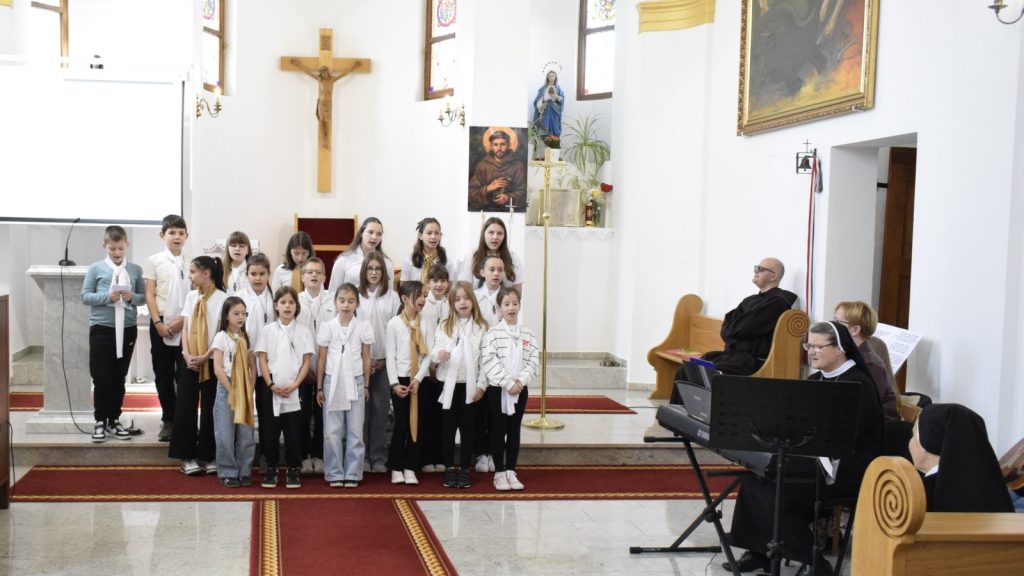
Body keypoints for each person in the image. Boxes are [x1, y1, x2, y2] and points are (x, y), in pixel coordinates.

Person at [725, 321, 883, 576]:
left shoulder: (857, 385)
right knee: (755, 480)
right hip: (815, 459)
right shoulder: (817, 378)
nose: (811, 351)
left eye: (819, 346)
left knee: (779, 491)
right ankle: (760, 553)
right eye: (809, 345)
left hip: (846, 469)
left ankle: (816, 563)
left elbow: (844, 440)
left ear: (840, 348)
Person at [82, 225, 146, 443]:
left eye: (120, 248)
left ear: (127, 245)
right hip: (102, 327)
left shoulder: (135, 269)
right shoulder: (95, 268)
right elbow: (85, 296)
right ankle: (100, 420)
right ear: (104, 246)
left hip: (127, 328)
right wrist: (106, 297)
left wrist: (131, 297)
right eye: (112, 249)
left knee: (119, 377)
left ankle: (114, 419)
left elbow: (143, 298)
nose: (117, 253)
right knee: (101, 377)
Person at [169, 256, 228, 477]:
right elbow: (185, 326)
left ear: (206, 273)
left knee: (211, 408)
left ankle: (208, 454)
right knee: (185, 406)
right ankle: (186, 455)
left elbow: (221, 332)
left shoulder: (223, 298)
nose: (191, 276)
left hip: (212, 360)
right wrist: (185, 353)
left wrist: (206, 356)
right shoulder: (192, 296)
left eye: (193, 272)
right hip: (189, 359)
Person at [481, 286, 539, 492]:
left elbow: (533, 360)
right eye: (506, 304)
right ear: (499, 307)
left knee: (514, 430)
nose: (511, 308)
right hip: (499, 390)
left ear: (520, 306)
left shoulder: (528, 333)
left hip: (520, 389)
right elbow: (489, 361)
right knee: (498, 430)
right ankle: (499, 472)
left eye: (515, 303)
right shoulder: (493, 333)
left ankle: (511, 470)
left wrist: (520, 382)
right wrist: (507, 383)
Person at [255, 286, 313, 490]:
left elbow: (306, 361)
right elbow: (262, 358)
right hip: (271, 388)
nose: (287, 306)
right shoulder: (268, 330)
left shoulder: (304, 331)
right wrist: (270, 384)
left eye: (291, 302)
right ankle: (271, 467)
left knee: (294, 432)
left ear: (296, 306)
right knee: (270, 431)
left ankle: (293, 469)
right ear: (276, 306)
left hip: (295, 388)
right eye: (283, 302)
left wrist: (296, 384)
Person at [317, 283, 374, 488]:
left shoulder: (364, 326)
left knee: (355, 431)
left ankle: (353, 472)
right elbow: (322, 359)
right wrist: (319, 387)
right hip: (332, 380)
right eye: (342, 300)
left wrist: (366, 385)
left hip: (356, 380)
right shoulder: (327, 326)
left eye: (351, 301)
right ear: (335, 302)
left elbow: (366, 357)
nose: (346, 305)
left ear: (357, 303)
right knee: (332, 431)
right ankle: (334, 472)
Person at [432, 281, 488, 489]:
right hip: (448, 385)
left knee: (468, 429)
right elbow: (435, 350)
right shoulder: (445, 325)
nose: (462, 302)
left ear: (472, 300)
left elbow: (485, 360)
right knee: (447, 428)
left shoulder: (481, 328)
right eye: (457, 299)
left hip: (470, 385)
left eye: (466, 298)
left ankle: (464, 468)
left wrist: (481, 385)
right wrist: (440, 354)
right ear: (451, 303)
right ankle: (449, 467)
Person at [909, 403, 1014, 513]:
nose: (910, 442)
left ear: (927, 443)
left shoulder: (920, 496)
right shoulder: (993, 489)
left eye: (913, 434)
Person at [702, 257, 797, 375]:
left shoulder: (778, 302)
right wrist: (735, 329)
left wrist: (735, 329)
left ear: (773, 276)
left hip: (751, 361)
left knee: (707, 372)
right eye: (756, 267)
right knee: (692, 366)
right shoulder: (749, 300)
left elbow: (746, 328)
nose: (756, 271)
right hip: (734, 356)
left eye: (761, 269)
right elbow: (726, 329)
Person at [143, 214, 190, 442]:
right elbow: (149, 293)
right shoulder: (155, 260)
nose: (177, 237)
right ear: (162, 235)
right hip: (160, 321)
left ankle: (184, 420)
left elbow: (195, 295)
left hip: (185, 323)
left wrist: (182, 320)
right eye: (172, 233)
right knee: (163, 374)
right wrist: (158, 323)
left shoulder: (191, 262)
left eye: (181, 233)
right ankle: (169, 419)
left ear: (186, 237)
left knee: (184, 375)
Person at [358, 252, 400, 474]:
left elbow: (394, 331)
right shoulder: (356, 295)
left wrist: (384, 359)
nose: (374, 272)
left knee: (380, 410)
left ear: (384, 273)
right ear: (364, 271)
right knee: (361, 411)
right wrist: (366, 360)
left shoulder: (392, 297)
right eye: (370, 268)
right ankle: (363, 455)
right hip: (361, 361)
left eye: (378, 269)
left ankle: (378, 456)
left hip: (385, 361)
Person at [386, 281, 430, 485]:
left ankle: (411, 466)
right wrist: (394, 384)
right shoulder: (394, 324)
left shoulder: (426, 323)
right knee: (402, 424)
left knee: (418, 424)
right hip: (401, 380)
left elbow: (428, 355)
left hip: (419, 380)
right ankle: (396, 466)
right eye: (418, 295)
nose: (422, 299)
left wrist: (419, 378)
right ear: (404, 299)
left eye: (423, 295)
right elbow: (390, 355)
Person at [210, 297, 257, 488]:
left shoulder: (246, 338)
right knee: (225, 433)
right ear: (227, 316)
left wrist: (250, 388)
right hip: (226, 388)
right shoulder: (221, 337)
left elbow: (252, 366)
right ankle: (228, 471)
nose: (241, 317)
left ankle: (245, 470)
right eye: (236, 314)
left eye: (243, 313)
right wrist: (232, 391)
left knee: (246, 434)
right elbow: (218, 368)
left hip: (244, 388)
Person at [296, 257, 335, 475]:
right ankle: (303, 456)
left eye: (318, 272)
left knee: (322, 414)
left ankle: (319, 455)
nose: (313, 275)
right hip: (302, 368)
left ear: (324, 276)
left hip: (327, 367)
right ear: (302, 277)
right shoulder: (295, 300)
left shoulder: (332, 300)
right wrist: (306, 367)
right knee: (301, 413)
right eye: (309, 272)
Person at [239, 254, 277, 475]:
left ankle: (265, 454)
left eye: (262, 274)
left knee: (266, 412)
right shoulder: (239, 297)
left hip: (268, 363)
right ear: (246, 275)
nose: (257, 278)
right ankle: (243, 454)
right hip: (243, 360)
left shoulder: (274, 298)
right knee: (243, 409)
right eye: (253, 274)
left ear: (268, 274)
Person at [834, 301, 899, 419]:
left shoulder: (870, 364)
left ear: (855, 330)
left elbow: (866, 409)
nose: (832, 326)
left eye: (838, 322)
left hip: (878, 428)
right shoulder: (850, 354)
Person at [418, 263, 451, 474]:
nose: (438, 285)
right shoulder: (423, 306)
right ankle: (425, 456)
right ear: (428, 283)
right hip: (426, 367)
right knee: (426, 415)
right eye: (435, 280)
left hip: (446, 368)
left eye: (442, 281)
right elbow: (420, 337)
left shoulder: (451, 305)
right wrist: (428, 363)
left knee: (443, 415)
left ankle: (441, 456)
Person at [289, 57, 363, 149]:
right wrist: (298, 65)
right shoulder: (319, 80)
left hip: (328, 105)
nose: (323, 74)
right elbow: (308, 72)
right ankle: (324, 142)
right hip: (321, 104)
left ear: (327, 72)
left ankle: (326, 141)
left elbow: (344, 74)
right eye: (322, 73)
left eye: (325, 72)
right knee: (321, 122)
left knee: (327, 122)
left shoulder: (332, 80)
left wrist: (354, 67)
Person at [328, 217, 395, 292]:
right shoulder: (343, 260)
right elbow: (333, 293)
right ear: (361, 233)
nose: (374, 237)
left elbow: (389, 294)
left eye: (379, 234)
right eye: (370, 232)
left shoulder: (387, 263)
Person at [457, 217, 523, 293]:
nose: (495, 237)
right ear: (484, 234)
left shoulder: (513, 258)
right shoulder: (473, 257)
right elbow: (464, 288)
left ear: (504, 236)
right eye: (491, 232)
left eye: (500, 233)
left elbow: (517, 292)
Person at [468, 130, 527, 212]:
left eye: (503, 144)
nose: (499, 148)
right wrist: (488, 188)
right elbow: (471, 194)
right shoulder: (482, 166)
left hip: (511, 212)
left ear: (509, 145)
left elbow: (524, 193)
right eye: (495, 145)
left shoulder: (518, 166)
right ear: (491, 146)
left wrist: (508, 198)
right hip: (485, 211)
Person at [401, 217, 454, 284]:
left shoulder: (447, 262)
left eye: (437, 233)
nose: (433, 237)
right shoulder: (409, 261)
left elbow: (449, 288)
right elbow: (404, 287)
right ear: (420, 236)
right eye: (429, 233)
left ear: (440, 236)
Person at [474, 255, 504, 328]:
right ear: (482, 272)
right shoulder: (474, 296)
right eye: (492, 269)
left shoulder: (508, 297)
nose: (496, 274)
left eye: (500, 270)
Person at [532, 70, 564, 137]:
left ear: (555, 77)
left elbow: (562, 100)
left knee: (555, 127)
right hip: (545, 110)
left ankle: (554, 144)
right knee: (545, 128)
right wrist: (541, 104)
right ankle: (545, 144)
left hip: (555, 111)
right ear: (547, 77)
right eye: (550, 76)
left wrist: (556, 97)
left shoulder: (558, 88)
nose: (552, 78)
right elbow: (537, 101)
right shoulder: (543, 89)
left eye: (553, 76)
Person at [221, 230, 252, 296]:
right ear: (228, 249)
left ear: (248, 250)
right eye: (233, 245)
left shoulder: (253, 269)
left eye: (242, 246)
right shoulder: (221, 270)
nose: (237, 248)